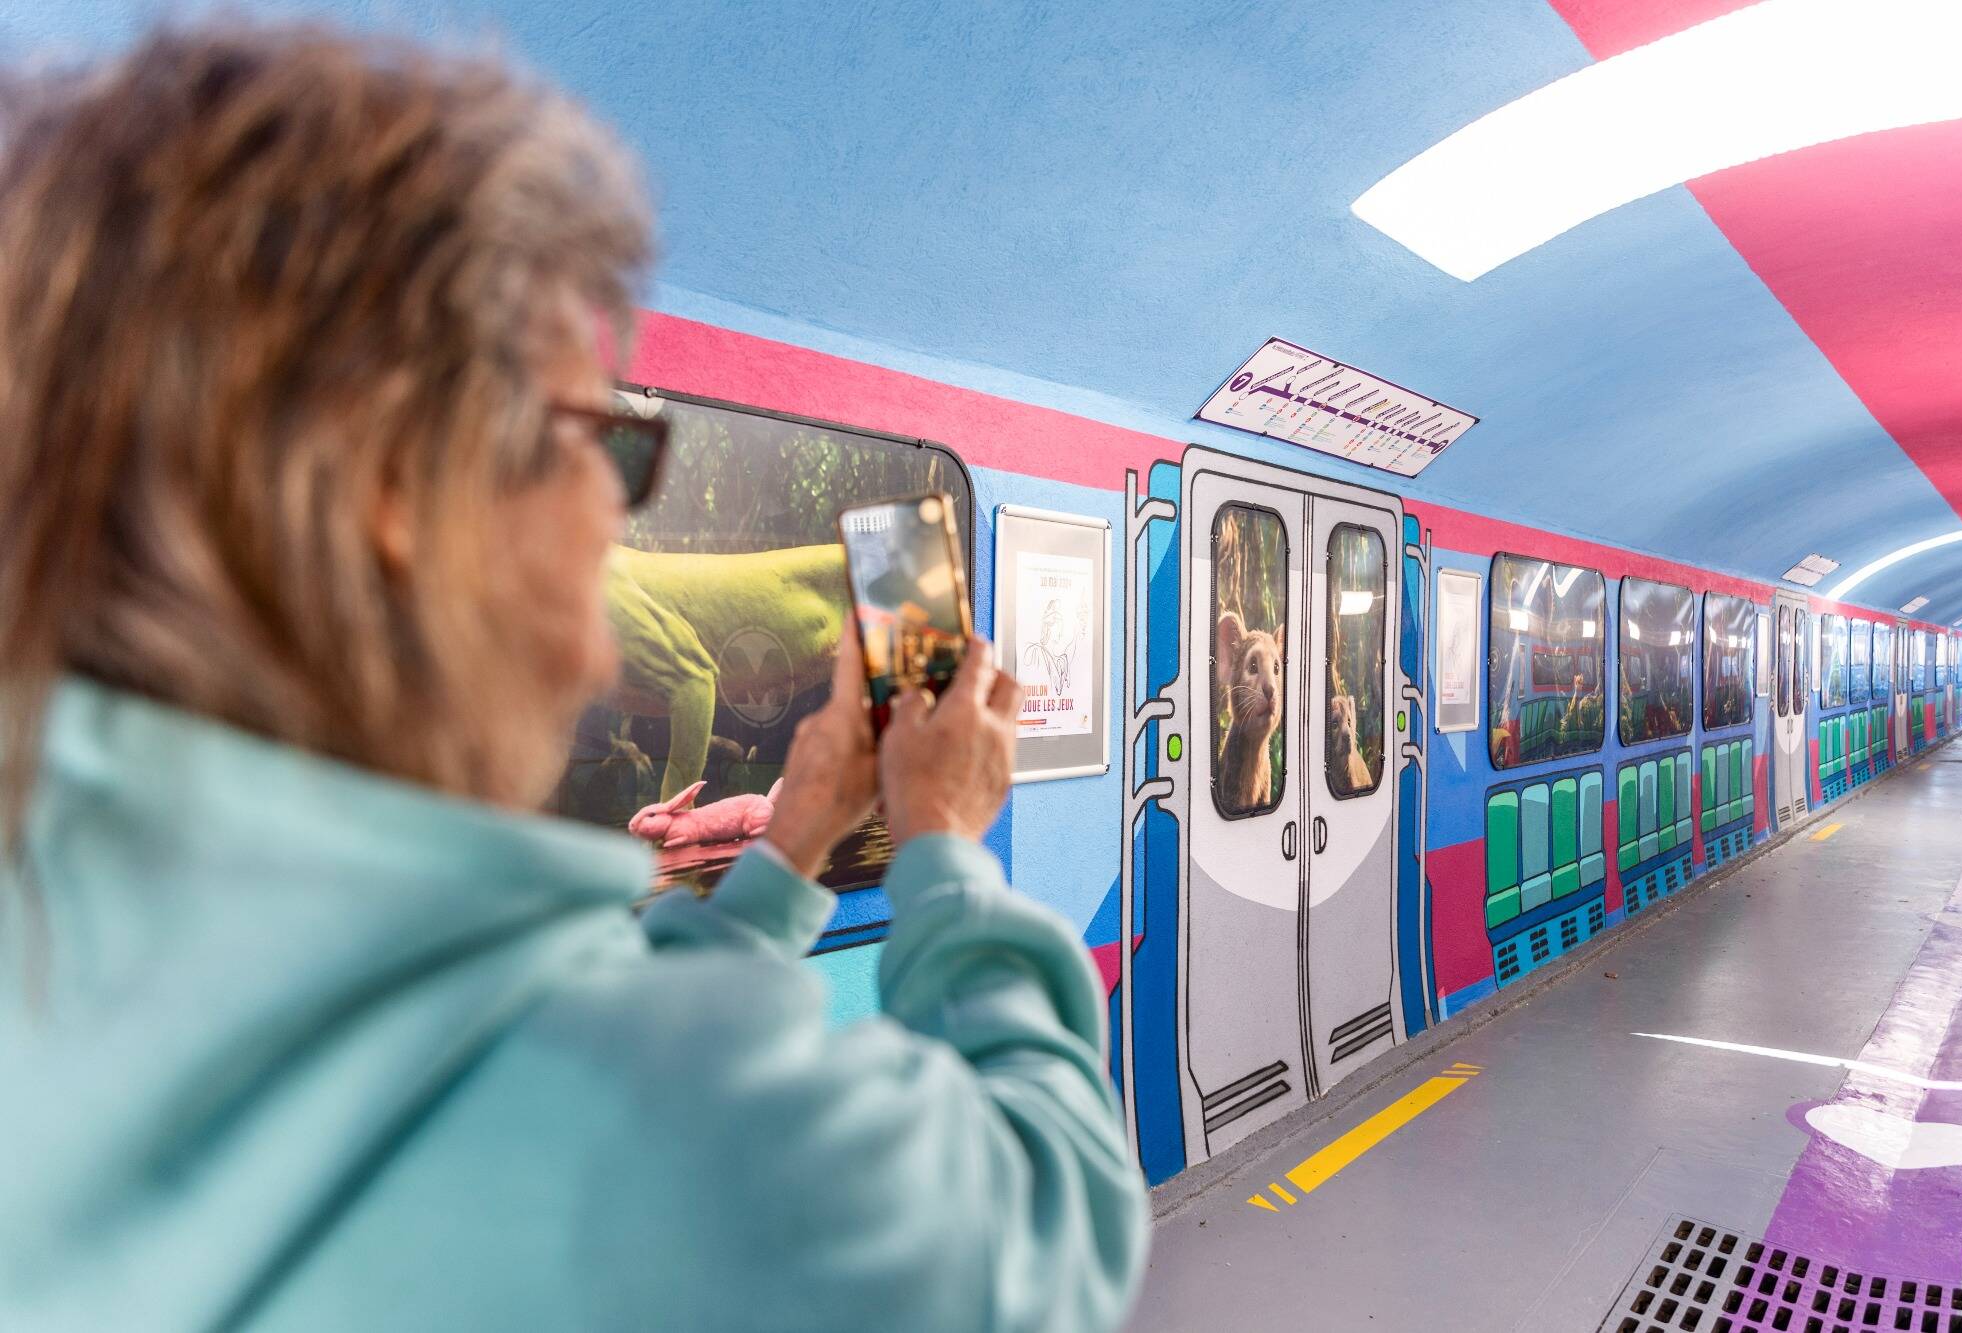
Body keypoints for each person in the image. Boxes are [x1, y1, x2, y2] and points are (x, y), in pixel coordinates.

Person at [0, 26, 1148, 1332]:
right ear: (399, 485)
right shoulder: (641, 1111)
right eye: (596, 443)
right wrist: (942, 845)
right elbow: (1048, 1232)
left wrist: (796, 839)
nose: (617, 509)